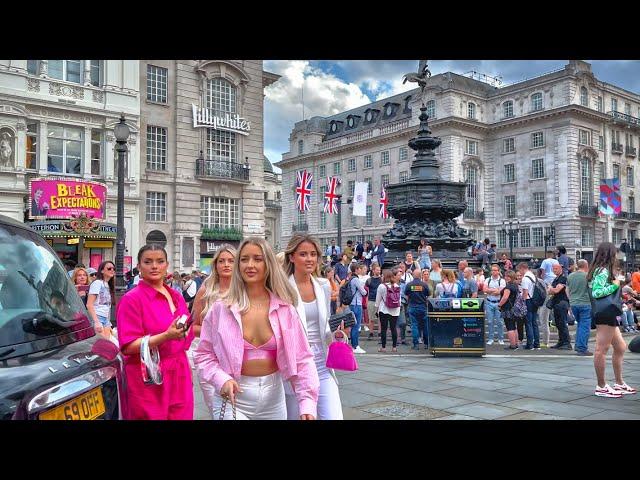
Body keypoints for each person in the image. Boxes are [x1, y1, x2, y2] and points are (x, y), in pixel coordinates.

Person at [195, 237, 319, 420]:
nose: (250, 265)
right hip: (231, 399)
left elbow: (303, 358)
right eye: (244, 259)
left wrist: (307, 403)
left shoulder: (285, 309)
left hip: (274, 400)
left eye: (257, 259)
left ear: (268, 263)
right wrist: (221, 379)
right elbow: (204, 354)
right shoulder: (221, 308)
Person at [116, 245, 194, 420]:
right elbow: (128, 346)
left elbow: (185, 335)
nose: (154, 266)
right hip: (148, 377)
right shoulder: (131, 299)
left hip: (179, 372)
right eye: (148, 262)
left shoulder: (176, 296)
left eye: (160, 261)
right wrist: (166, 336)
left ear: (167, 265)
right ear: (138, 266)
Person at [284, 234, 346, 420]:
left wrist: (338, 335)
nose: (309, 259)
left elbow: (324, 325)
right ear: (292, 257)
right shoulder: (282, 287)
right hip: (295, 367)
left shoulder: (324, 286)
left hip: (322, 362)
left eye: (313, 254)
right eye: (303, 254)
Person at [189, 245, 236, 413]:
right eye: (221, 261)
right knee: (216, 410)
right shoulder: (205, 291)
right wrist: (216, 332)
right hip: (211, 360)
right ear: (215, 265)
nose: (226, 265)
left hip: (236, 360)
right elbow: (192, 327)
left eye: (231, 261)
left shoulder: (245, 292)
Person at [588, 242, 637, 398]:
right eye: (615, 253)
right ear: (610, 254)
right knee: (601, 350)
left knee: (621, 347)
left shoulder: (599, 269)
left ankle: (618, 382)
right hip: (606, 313)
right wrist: (615, 285)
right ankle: (601, 386)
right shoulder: (602, 271)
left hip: (607, 312)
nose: (617, 255)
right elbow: (597, 292)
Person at [567, 259, 594, 356]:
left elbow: (567, 291)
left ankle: (578, 346)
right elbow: (591, 291)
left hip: (574, 304)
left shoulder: (570, 276)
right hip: (585, 303)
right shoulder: (588, 276)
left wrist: (571, 301)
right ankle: (582, 348)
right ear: (586, 266)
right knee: (585, 326)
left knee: (580, 325)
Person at [87, 261, 116, 339]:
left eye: (114, 268)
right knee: (103, 345)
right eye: (109, 268)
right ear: (102, 271)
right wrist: (96, 321)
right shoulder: (97, 283)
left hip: (105, 318)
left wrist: (108, 322)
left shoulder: (107, 285)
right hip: (97, 316)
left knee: (107, 345)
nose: (112, 270)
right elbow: (89, 304)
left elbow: (107, 306)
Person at [375, 268, 401, 352]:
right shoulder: (397, 286)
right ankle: (394, 347)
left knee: (384, 329)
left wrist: (376, 309)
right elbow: (399, 299)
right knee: (393, 328)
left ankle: (383, 347)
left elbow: (378, 300)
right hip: (395, 310)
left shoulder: (381, 286)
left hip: (384, 309)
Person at [548, 263, 572, 349]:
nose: (554, 270)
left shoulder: (563, 278)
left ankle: (567, 343)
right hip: (556, 303)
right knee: (558, 323)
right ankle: (561, 341)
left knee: (562, 323)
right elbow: (550, 291)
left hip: (562, 303)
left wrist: (551, 288)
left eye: (556, 269)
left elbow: (556, 290)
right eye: (553, 269)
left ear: (560, 269)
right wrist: (552, 289)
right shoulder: (556, 279)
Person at [406, 266, 430, 350]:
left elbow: (406, 294)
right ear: (420, 276)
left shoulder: (409, 285)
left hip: (412, 307)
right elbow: (428, 294)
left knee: (414, 326)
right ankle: (427, 344)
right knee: (425, 326)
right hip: (423, 307)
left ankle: (416, 345)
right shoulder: (424, 285)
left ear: (413, 275)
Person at [346, 263, 368, 354]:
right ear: (357, 269)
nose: (360, 270)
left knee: (353, 326)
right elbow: (363, 292)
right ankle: (355, 346)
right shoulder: (356, 279)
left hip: (352, 304)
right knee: (356, 325)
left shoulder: (350, 279)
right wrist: (365, 290)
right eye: (359, 268)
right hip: (356, 304)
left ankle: (353, 345)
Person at [518, 262, 540, 350]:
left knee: (528, 323)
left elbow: (525, 292)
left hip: (528, 301)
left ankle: (529, 344)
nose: (520, 272)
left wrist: (522, 302)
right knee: (534, 323)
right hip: (534, 300)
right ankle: (537, 343)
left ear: (522, 268)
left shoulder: (525, 279)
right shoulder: (532, 275)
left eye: (519, 270)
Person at [498, 270, 522, 350]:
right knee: (514, 327)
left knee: (509, 327)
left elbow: (505, 297)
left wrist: (499, 304)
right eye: (505, 276)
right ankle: (516, 343)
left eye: (507, 276)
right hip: (514, 309)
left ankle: (512, 345)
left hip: (507, 309)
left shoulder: (508, 287)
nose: (506, 278)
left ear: (510, 277)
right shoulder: (515, 285)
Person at [484, 264, 506, 345]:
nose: (493, 272)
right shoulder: (487, 280)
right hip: (489, 302)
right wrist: (495, 290)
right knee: (490, 322)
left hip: (498, 303)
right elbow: (484, 289)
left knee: (500, 322)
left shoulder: (502, 281)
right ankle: (490, 338)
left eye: (495, 270)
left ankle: (501, 338)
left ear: (498, 271)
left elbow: (499, 292)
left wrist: (491, 290)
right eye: (492, 270)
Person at [365, 263, 382, 341]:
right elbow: (366, 292)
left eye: (379, 270)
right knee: (371, 318)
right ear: (373, 270)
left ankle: (380, 332)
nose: (379, 271)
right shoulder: (369, 280)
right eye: (377, 270)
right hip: (371, 300)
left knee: (380, 318)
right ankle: (371, 332)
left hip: (380, 301)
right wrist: (366, 301)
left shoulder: (382, 279)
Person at [536, 267, 552, 348]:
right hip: (544, 303)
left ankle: (545, 342)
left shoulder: (540, 281)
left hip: (543, 304)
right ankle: (545, 341)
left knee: (543, 322)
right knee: (544, 322)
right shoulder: (545, 281)